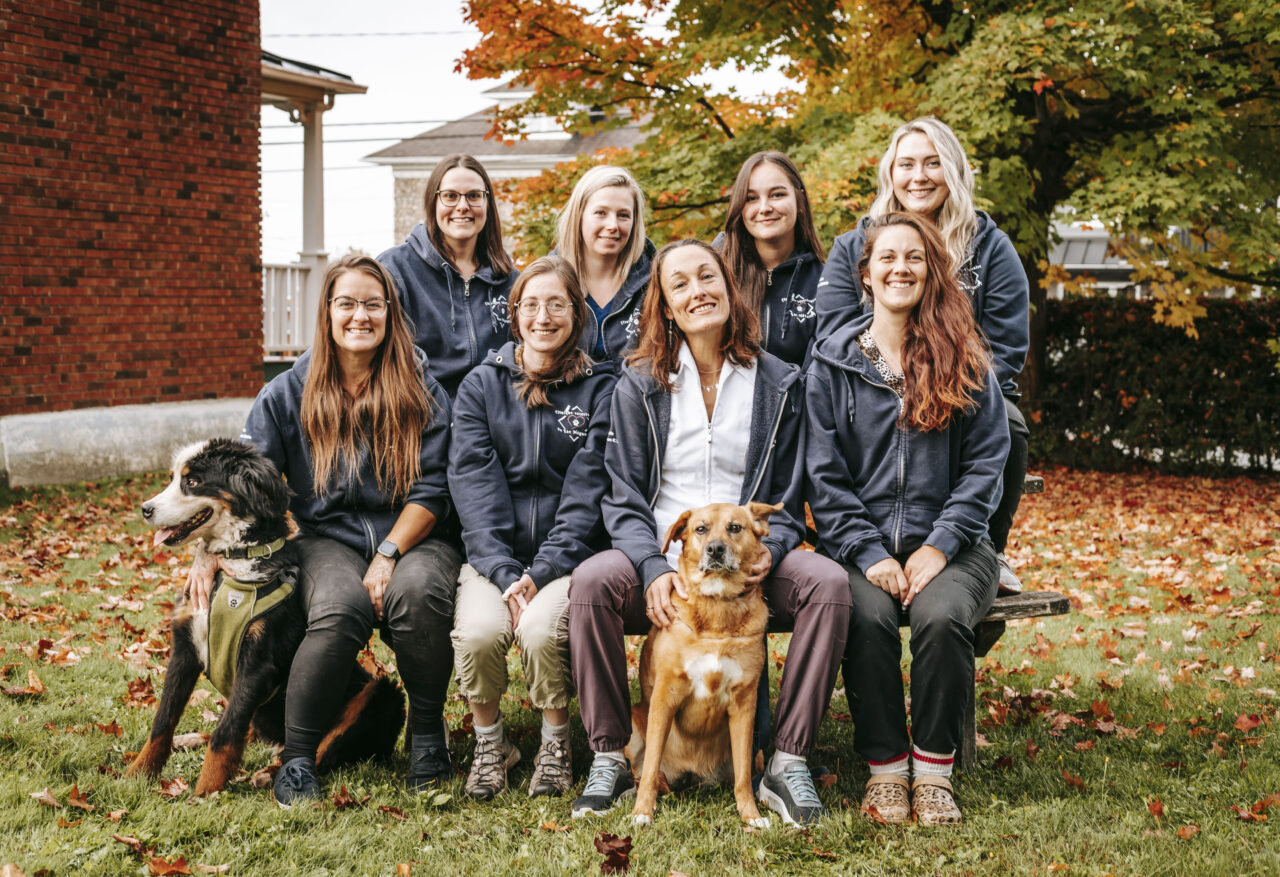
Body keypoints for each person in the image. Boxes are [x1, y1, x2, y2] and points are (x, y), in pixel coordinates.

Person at [567, 239, 851, 827]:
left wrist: (771, 549)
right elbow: (621, 495)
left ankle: (789, 759)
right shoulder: (640, 384)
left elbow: (792, 491)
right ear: (666, 305)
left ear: (729, 287)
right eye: (680, 284)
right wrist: (650, 565)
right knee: (592, 583)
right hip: (662, 553)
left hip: (748, 552)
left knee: (827, 584)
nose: (697, 291)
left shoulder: (778, 382)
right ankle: (610, 755)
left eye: (707, 277)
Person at [214, 254, 460, 805]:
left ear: (391, 313)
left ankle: (427, 742)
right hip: (328, 539)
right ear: (326, 311)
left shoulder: (421, 387)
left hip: (416, 536)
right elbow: (246, 475)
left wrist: (392, 551)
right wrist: (210, 550)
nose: (360, 315)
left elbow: (435, 487)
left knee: (418, 595)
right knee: (339, 605)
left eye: (373, 304)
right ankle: (298, 760)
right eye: (346, 303)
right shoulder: (289, 389)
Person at [806, 213, 1009, 826]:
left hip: (955, 546)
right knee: (863, 617)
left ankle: (935, 770)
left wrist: (941, 545)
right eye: (887, 258)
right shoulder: (832, 363)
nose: (901, 269)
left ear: (931, 270)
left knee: (941, 618)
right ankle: (888, 771)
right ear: (865, 274)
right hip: (860, 549)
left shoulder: (963, 355)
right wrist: (869, 552)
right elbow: (825, 475)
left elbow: (986, 465)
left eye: (914, 258)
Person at [814, 118, 1030, 592]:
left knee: (1008, 423)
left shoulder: (988, 247)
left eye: (933, 163)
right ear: (890, 173)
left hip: (963, 395)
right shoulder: (855, 245)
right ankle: (862, 544)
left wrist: (941, 380)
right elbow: (832, 334)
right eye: (906, 164)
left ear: (953, 171)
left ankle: (985, 548)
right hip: (872, 389)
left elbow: (1007, 346)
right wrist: (896, 382)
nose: (919, 176)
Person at [447, 256, 617, 800]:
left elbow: (589, 491)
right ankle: (492, 743)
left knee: (543, 630)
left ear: (578, 314)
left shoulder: (602, 389)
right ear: (515, 314)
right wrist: (502, 571)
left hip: (570, 558)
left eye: (558, 304)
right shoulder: (481, 385)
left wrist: (541, 573)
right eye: (531, 305)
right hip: (491, 557)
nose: (544, 316)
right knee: (477, 632)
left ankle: (554, 743)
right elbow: (474, 487)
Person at [378, 154, 518, 399]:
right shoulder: (394, 270)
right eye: (450, 196)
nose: (462, 206)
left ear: (487, 204)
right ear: (433, 202)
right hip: (422, 419)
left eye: (474, 196)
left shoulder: (511, 280)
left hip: (492, 421)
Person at [717, 151, 826, 366]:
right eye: (751, 198)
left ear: (800, 200)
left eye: (777, 195)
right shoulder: (717, 274)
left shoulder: (825, 282)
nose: (765, 208)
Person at [552, 165, 655, 361]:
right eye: (601, 213)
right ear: (579, 215)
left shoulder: (655, 282)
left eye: (623, 215)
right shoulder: (546, 280)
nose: (613, 225)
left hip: (636, 391)